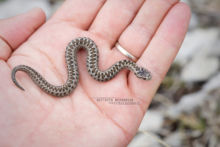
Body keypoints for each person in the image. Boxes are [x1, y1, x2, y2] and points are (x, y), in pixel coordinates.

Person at [0, 0, 191, 146]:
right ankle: (23, 70)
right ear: (138, 72)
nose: (145, 76)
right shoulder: (117, 63)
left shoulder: (127, 65)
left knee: (81, 75)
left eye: (143, 75)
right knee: (75, 77)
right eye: (144, 75)